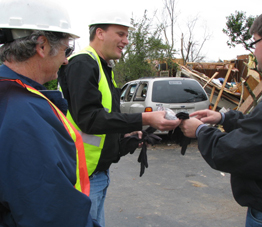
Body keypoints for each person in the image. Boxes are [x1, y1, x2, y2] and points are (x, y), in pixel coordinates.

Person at [179, 4, 262, 226]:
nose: (254, 52)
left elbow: (237, 152)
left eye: (254, 43)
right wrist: (224, 118)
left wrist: (200, 131)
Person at [58, 10, 181, 226]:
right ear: (100, 33)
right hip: (82, 177)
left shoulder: (103, 67)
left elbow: (104, 117)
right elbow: (89, 119)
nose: (126, 41)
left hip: (97, 173)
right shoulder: (83, 64)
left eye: (127, 36)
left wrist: (126, 133)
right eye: (121, 34)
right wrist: (145, 118)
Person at [0, 0, 100, 226]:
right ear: (42, 46)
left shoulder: (10, 95)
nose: (66, 60)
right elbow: (52, 214)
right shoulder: (25, 114)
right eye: (67, 49)